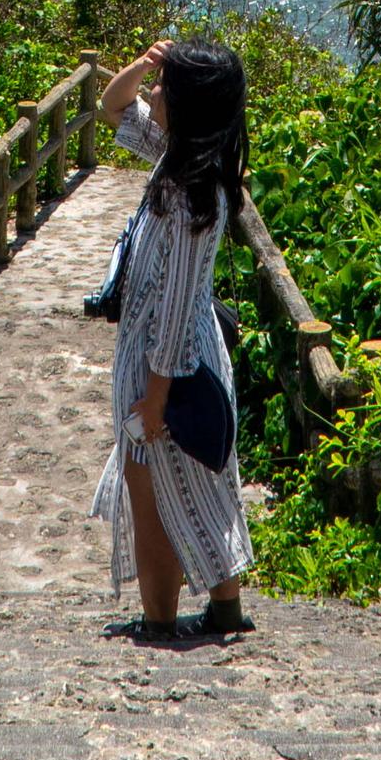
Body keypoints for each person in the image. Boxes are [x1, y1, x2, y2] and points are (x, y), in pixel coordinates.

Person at [87, 33, 256, 644]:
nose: (152, 92)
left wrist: (154, 399)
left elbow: (180, 309)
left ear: (186, 105)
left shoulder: (190, 196)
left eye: (164, 85)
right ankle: (225, 611)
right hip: (184, 356)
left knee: (150, 484)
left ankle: (160, 621)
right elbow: (112, 107)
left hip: (168, 361)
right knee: (205, 482)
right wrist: (141, 63)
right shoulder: (181, 156)